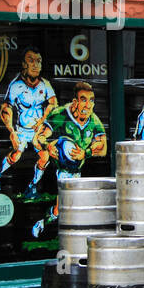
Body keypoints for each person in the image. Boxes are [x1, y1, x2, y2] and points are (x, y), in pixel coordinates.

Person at [30, 82, 108, 238]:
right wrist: (48, 146)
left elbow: (103, 148)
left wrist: (85, 153)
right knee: (68, 204)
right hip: (60, 167)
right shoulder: (60, 115)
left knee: (64, 208)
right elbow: (38, 138)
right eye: (84, 99)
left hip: (78, 168)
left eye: (91, 100)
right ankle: (35, 186)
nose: (88, 104)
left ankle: (46, 222)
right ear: (75, 102)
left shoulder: (94, 121)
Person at [0, 47, 56, 197]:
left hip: (38, 128)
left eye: (38, 61)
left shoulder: (45, 84)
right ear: (23, 64)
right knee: (16, 154)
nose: (35, 65)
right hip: (22, 128)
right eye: (31, 61)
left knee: (45, 156)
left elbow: (53, 103)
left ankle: (32, 187)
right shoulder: (15, 85)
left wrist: (42, 120)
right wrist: (12, 131)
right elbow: (6, 107)